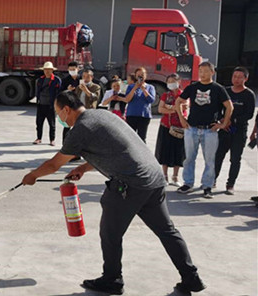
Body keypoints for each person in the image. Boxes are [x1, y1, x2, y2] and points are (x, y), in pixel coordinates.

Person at [22, 92, 206, 294]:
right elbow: (115, 148)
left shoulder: (81, 129)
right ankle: (191, 278)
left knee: (110, 234)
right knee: (167, 231)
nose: (59, 117)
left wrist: (32, 176)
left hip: (130, 184)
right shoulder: (102, 115)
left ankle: (112, 280)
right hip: (153, 178)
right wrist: (83, 168)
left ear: (67, 109)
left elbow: (54, 165)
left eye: (58, 113)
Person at [176, 61, 233, 199]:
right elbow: (178, 101)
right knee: (189, 158)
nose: (202, 74)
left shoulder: (218, 88)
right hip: (192, 128)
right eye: (200, 71)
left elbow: (229, 106)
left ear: (212, 72)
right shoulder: (192, 87)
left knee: (210, 160)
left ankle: (207, 186)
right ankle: (188, 183)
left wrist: (223, 124)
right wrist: (182, 119)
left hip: (210, 131)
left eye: (206, 71)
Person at [214, 67, 256, 195]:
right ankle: (212, 181)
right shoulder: (225, 91)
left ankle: (230, 184)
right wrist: (222, 120)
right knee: (218, 156)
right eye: (234, 76)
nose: (236, 79)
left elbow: (249, 114)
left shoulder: (249, 95)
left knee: (235, 159)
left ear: (245, 79)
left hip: (239, 131)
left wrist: (233, 120)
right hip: (224, 129)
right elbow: (217, 109)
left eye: (239, 77)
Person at [155, 74, 187, 187]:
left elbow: (184, 107)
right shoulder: (165, 95)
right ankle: (165, 176)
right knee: (165, 151)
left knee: (178, 151)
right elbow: (160, 109)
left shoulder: (183, 95)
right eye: (169, 81)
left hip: (179, 127)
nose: (171, 83)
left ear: (179, 81)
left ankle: (175, 176)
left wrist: (169, 107)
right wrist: (175, 109)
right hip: (166, 126)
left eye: (173, 81)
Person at [122, 67, 156, 142]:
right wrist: (134, 88)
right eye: (138, 75)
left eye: (142, 75)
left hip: (144, 115)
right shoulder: (130, 87)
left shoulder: (150, 87)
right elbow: (127, 99)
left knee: (142, 138)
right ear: (136, 76)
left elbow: (151, 100)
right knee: (130, 137)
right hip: (131, 115)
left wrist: (144, 90)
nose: (140, 76)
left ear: (145, 76)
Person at [33, 62, 61, 146]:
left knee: (52, 124)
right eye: (45, 70)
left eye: (49, 70)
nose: (47, 71)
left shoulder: (56, 80)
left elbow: (59, 92)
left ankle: (52, 140)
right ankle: (39, 138)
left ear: (52, 70)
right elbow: (37, 91)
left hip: (51, 105)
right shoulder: (40, 80)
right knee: (39, 123)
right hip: (41, 104)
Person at [58, 61, 80, 142]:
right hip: (69, 105)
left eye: (74, 69)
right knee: (67, 125)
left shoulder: (81, 79)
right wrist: (68, 90)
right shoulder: (65, 80)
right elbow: (60, 93)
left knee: (79, 126)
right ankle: (65, 143)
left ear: (78, 69)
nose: (72, 71)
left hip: (79, 105)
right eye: (70, 70)